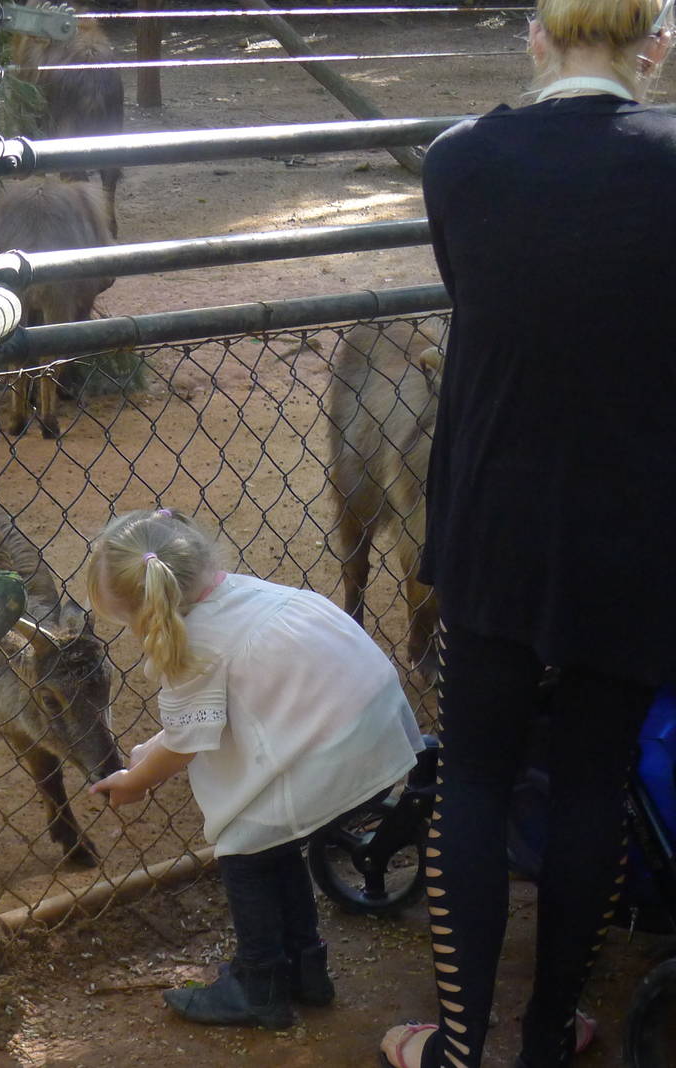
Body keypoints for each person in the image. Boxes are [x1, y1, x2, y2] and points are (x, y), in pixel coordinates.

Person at [378, 1, 676, 1064]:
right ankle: (550, 1033)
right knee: (595, 778)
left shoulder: (459, 159)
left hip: (493, 510)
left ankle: (459, 1047)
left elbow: (481, 293)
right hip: (638, 519)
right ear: (654, 48)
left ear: (535, 42)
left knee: (474, 771)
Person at [85, 507, 423, 1029]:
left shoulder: (191, 642)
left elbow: (185, 747)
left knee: (243, 847)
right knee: (274, 842)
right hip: (374, 726)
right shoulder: (238, 592)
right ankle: (306, 970)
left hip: (333, 748)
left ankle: (259, 985)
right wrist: (156, 743)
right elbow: (214, 711)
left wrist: (135, 780)